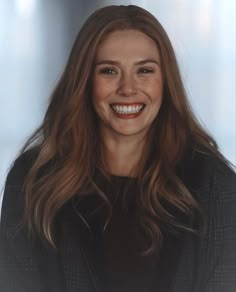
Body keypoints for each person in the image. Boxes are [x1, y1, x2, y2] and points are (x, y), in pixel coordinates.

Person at [0, 4, 235, 292]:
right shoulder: (32, 181)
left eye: (145, 70)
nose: (128, 88)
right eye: (109, 71)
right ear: (84, 81)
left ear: (166, 82)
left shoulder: (215, 184)